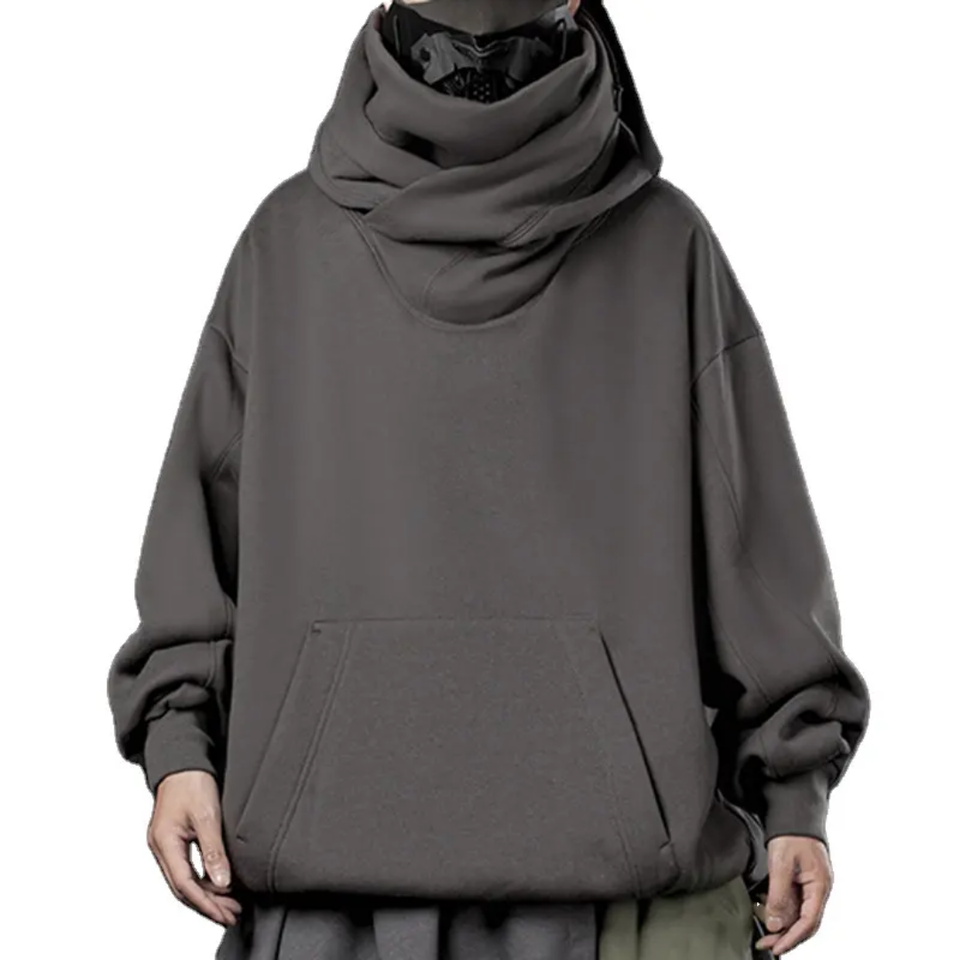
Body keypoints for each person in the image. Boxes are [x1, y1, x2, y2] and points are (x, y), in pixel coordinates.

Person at [105, 2, 871, 958]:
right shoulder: (286, 247)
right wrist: (179, 747)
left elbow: (753, 541)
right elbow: (202, 541)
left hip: (577, 904)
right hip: (357, 897)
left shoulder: (661, 245)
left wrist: (796, 796)